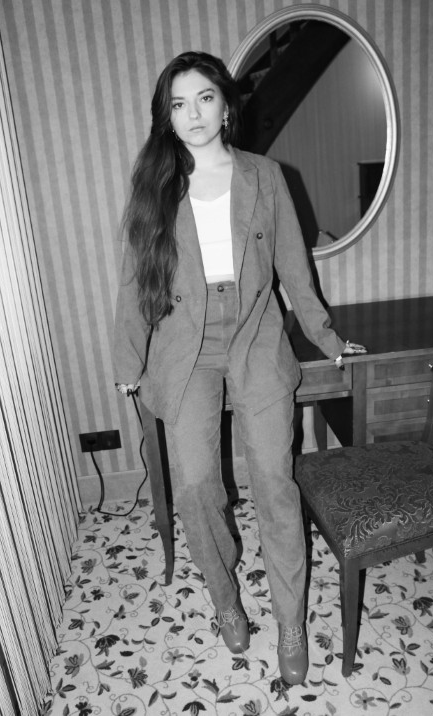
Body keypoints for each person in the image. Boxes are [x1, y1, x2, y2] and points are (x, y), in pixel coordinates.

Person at [113, 51, 366, 685]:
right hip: (185, 343)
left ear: (226, 106)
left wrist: (328, 338)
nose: (194, 113)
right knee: (197, 484)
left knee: (275, 482)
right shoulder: (155, 185)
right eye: (179, 104)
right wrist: (129, 360)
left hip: (255, 334)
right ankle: (225, 598)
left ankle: (290, 621)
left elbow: (294, 269)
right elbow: (135, 281)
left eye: (205, 98)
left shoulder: (265, 176)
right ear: (167, 118)